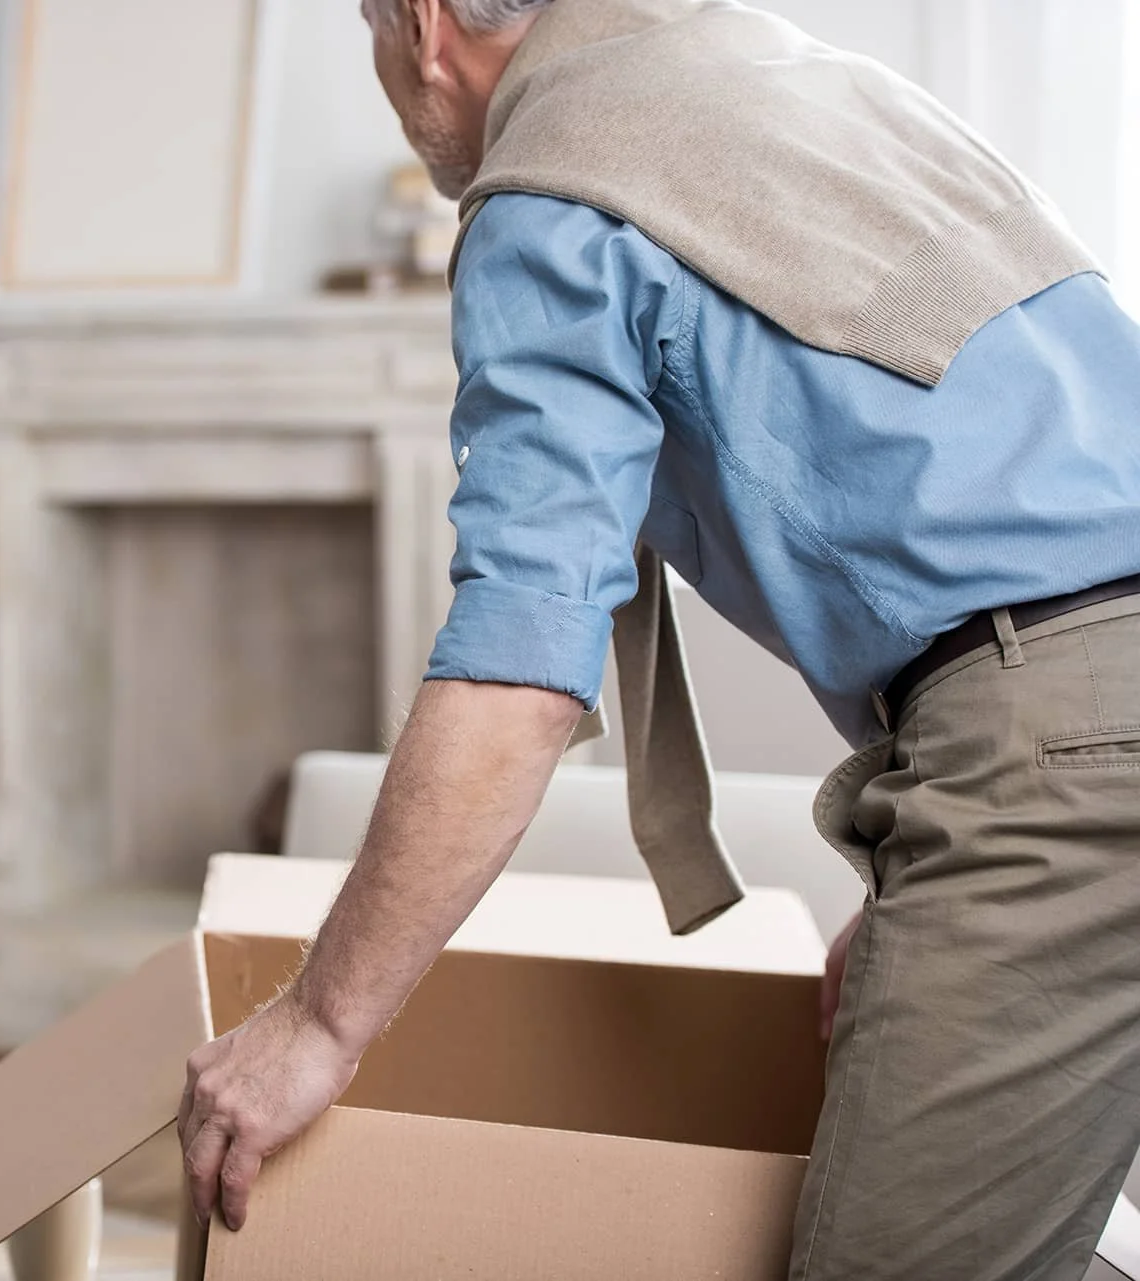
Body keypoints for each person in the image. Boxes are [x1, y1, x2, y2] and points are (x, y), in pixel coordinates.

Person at [178, 1, 1140, 1277]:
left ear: (420, 27)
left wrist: (317, 1024)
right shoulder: (807, 85)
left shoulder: (554, 196)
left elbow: (517, 665)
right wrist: (948, 878)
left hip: (1063, 760)